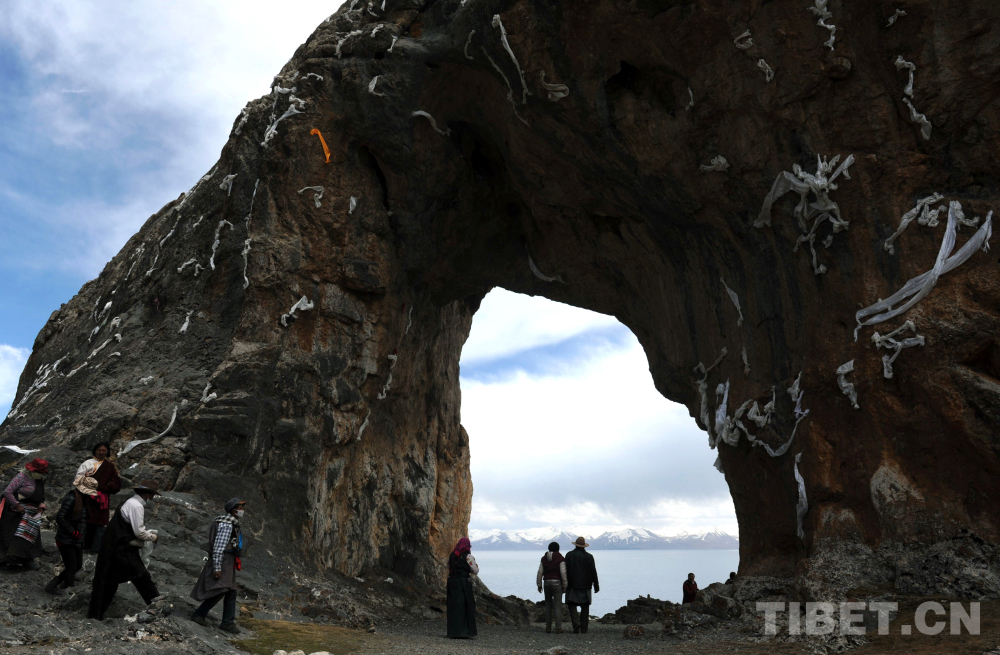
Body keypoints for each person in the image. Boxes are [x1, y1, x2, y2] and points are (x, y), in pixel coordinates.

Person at [87, 480, 162, 620]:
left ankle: (95, 615)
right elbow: (139, 532)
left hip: (114, 548)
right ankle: (157, 607)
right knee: (142, 576)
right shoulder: (137, 506)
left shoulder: (129, 502)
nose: (152, 497)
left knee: (109, 582)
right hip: (123, 550)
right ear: (147, 494)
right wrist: (153, 537)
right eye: (152, 494)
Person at [190, 498, 246, 634]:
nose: (242, 510)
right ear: (234, 511)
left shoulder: (231, 522)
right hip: (223, 560)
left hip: (228, 561)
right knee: (222, 589)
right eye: (240, 508)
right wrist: (217, 568)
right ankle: (199, 614)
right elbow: (219, 547)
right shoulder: (227, 524)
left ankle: (228, 622)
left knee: (231, 591)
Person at [0, 458, 49, 570]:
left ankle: (27, 559)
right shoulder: (21, 477)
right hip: (16, 509)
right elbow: (7, 492)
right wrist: (17, 505)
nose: (39, 474)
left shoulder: (39, 480)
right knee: (16, 534)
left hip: (32, 510)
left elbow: (40, 496)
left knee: (31, 533)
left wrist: (41, 505)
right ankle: (11, 560)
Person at [45, 478, 91, 592]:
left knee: (77, 565)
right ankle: (61, 587)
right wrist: (73, 532)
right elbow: (60, 517)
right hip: (66, 538)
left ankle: (62, 585)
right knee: (72, 566)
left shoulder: (83, 500)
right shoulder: (72, 499)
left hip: (76, 539)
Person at [75, 442, 122, 553]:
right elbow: (79, 479)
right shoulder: (87, 464)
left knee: (100, 524)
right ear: (95, 451)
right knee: (86, 522)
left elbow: (116, 482)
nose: (101, 452)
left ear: (107, 452)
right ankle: (83, 546)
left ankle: (96, 548)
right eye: (99, 450)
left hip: (102, 500)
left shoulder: (109, 466)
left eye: (103, 450)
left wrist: (107, 486)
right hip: (87, 498)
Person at [564, 536, 599, 634]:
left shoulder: (569, 555)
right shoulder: (589, 557)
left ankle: (576, 624)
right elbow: (593, 571)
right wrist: (596, 585)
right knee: (585, 606)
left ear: (576, 545)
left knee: (571, 605)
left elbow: (565, 570)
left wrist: (563, 584)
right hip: (586, 585)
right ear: (584, 546)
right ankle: (584, 628)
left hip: (572, 584)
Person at [446, 537, 478, 639]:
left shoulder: (452, 555)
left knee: (453, 606)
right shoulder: (468, 557)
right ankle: (465, 631)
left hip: (452, 582)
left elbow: (449, 567)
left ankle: (453, 632)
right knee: (465, 606)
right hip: (463, 583)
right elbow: (475, 571)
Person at [536, 541, 567, 634]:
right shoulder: (560, 558)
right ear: (558, 549)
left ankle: (548, 627)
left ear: (548, 548)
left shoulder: (544, 558)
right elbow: (563, 572)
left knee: (548, 605)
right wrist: (565, 585)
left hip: (546, 583)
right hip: (557, 583)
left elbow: (540, 572)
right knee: (557, 605)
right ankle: (558, 628)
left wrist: (539, 584)